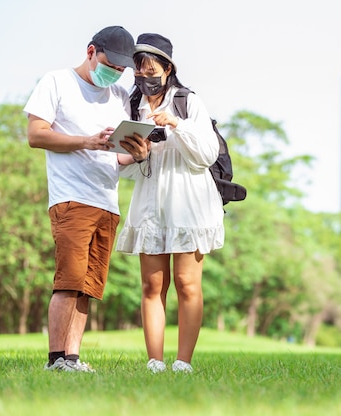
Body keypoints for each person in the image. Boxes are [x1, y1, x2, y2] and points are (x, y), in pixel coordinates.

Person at [24, 26, 150, 372]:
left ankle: (73, 358)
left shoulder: (120, 96)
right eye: (112, 65)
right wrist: (86, 141)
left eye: (123, 70)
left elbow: (117, 157)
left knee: (89, 285)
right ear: (91, 51)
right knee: (69, 279)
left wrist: (137, 154)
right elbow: (36, 135)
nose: (116, 74)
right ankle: (55, 359)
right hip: (72, 198)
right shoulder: (57, 82)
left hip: (107, 202)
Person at [116, 33, 224, 373]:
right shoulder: (131, 106)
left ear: (167, 68)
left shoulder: (187, 102)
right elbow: (123, 164)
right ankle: (155, 362)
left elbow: (207, 154)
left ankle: (183, 362)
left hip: (188, 201)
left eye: (151, 69)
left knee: (187, 283)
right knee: (152, 285)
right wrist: (136, 153)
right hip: (150, 200)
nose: (144, 76)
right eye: (138, 69)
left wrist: (176, 125)